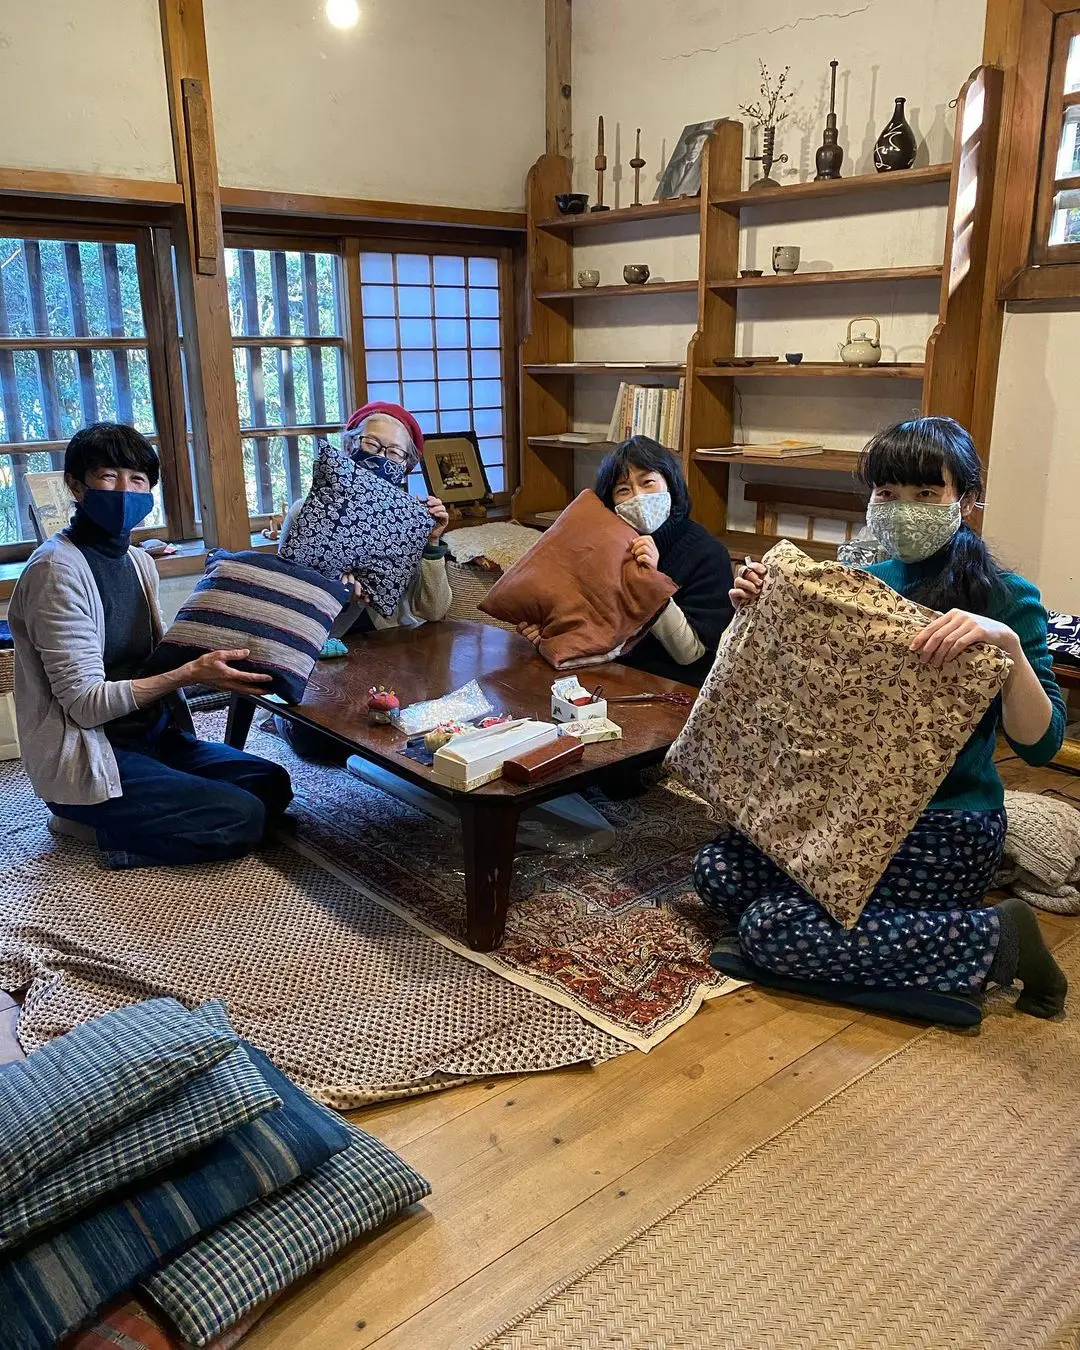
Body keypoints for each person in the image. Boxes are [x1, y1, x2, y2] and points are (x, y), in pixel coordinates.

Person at [693, 415, 1068, 1017]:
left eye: (927, 494)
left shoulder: (1004, 597)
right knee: (716, 870)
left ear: (966, 501)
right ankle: (905, 967)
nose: (904, 509)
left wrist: (1007, 646)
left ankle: (999, 940)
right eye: (888, 494)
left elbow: (1041, 744)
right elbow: (806, 699)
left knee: (768, 928)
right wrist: (763, 609)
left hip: (944, 826)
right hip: (849, 807)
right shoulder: (861, 584)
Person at [8, 422, 293, 869]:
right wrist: (189, 673)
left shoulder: (140, 561)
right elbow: (85, 706)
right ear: (75, 486)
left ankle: (157, 794)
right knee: (242, 816)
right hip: (94, 754)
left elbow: (154, 658)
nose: (125, 490)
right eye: (108, 476)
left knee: (271, 783)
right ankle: (89, 826)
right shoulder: (56, 572)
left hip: (154, 738)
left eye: (137, 480)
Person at [274, 401, 452, 763]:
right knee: (319, 744)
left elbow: (433, 611)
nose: (380, 457)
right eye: (370, 445)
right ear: (348, 445)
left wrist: (432, 542)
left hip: (391, 651)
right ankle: (281, 718)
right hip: (325, 653)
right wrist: (339, 595)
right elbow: (285, 606)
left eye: (394, 452)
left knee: (426, 728)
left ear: (407, 466)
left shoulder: (411, 520)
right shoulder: (305, 512)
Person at [518, 437, 735, 688]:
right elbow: (590, 625)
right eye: (623, 490)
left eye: (648, 482)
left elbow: (691, 655)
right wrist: (548, 634)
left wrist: (650, 582)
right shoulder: (604, 546)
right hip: (608, 673)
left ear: (671, 485)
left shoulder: (707, 553)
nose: (638, 497)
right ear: (611, 504)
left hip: (674, 687)